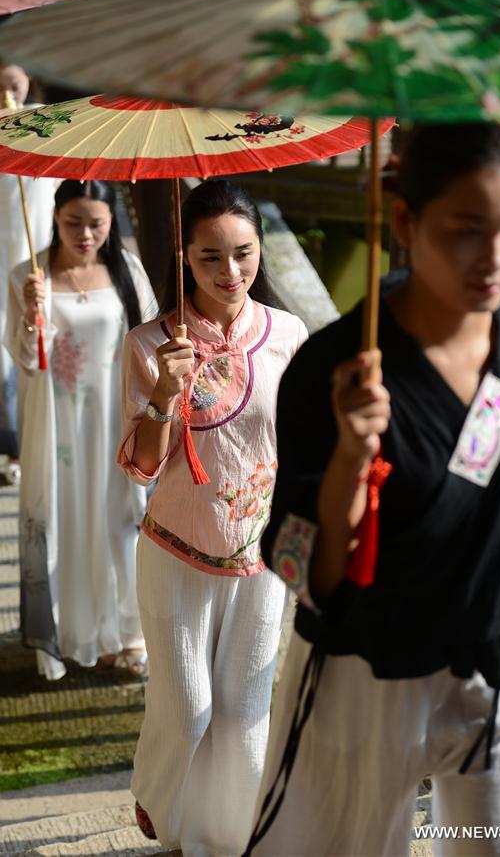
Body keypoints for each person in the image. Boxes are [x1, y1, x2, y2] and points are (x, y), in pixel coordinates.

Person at [248, 122, 500, 856]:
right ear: (403, 219)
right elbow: (299, 569)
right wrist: (350, 457)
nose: (496, 259)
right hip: (367, 679)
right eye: (466, 230)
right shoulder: (333, 369)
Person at [117, 179, 308, 855]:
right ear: (184, 256)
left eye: (245, 254)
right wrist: (166, 395)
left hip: (261, 557)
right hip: (175, 551)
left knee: (246, 714)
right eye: (210, 258)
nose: (231, 273)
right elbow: (140, 467)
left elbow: (304, 445)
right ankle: (158, 798)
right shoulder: (149, 344)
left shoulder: (289, 334)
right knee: (189, 707)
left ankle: (230, 839)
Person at [6, 179, 157, 682]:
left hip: (117, 417)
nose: (86, 234)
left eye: (97, 224)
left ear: (113, 222)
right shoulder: (29, 275)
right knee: (64, 517)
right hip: (57, 423)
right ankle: (71, 633)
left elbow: (149, 344)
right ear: (55, 218)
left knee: (122, 518)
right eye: (74, 223)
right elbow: (26, 362)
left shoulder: (128, 271)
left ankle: (130, 633)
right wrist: (31, 317)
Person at [0, 57, 58, 475]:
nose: (5, 92)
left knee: (31, 319)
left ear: (29, 83)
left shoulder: (45, 122)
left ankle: (27, 436)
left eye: (14, 83)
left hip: (32, 234)